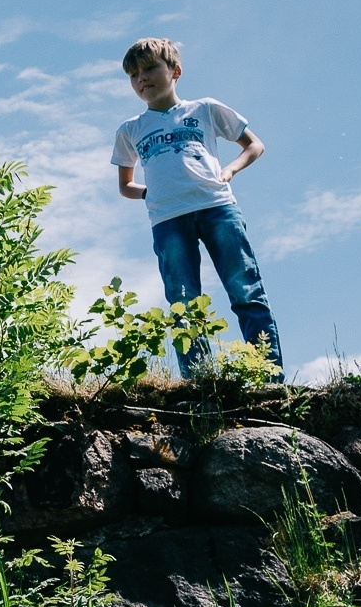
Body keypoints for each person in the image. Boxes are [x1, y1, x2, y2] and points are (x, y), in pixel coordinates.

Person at [112, 38, 283, 378]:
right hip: (168, 221)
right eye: (133, 75)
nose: (141, 79)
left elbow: (255, 145)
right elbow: (125, 185)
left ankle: (268, 377)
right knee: (184, 304)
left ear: (175, 71)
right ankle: (201, 384)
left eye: (149, 69)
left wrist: (230, 170)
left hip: (217, 207)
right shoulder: (130, 130)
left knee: (246, 290)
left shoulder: (204, 109)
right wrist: (154, 193)